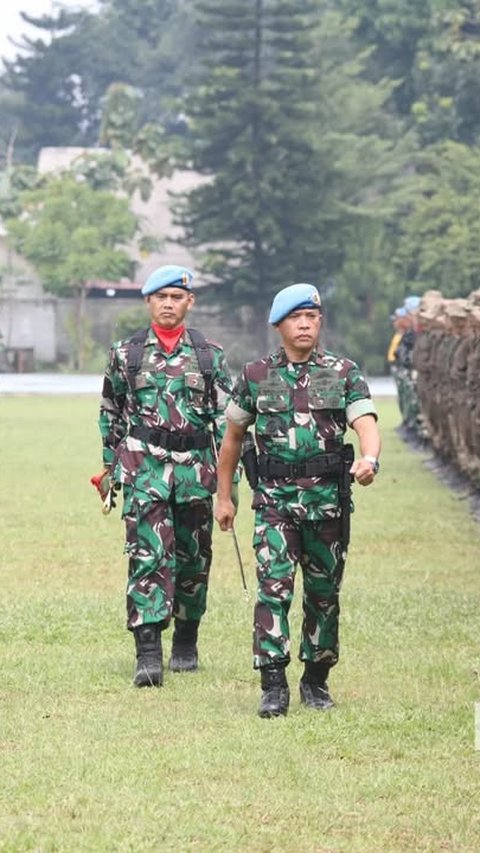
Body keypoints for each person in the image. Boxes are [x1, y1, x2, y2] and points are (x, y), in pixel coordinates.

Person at [215, 283, 381, 718]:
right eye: (295, 317)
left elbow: (364, 420)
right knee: (273, 590)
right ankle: (273, 684)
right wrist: (224, 497)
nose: (305, 323)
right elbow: (232, 441)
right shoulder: (255, 375)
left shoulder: (343, 372)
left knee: (324, 594)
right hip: (274, 504)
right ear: (278, 325)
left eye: (312, 316)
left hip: (328, 505)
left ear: (320, 321)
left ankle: (316, 679)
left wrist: (370, 458)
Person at [93, 264, 235, 687]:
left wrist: (230, 486)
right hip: (144, 470)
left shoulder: (209, 355)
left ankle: (186, 641)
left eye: (177, 297)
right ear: (149, 302)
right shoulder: (127, 354)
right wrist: (109, 469)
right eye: (161, 297)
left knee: (193, 560)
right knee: (147, 557)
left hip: (195, 471)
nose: (169, 304)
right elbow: (110, 412)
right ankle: (148, 652)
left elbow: (229, 424)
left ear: (189, 302)